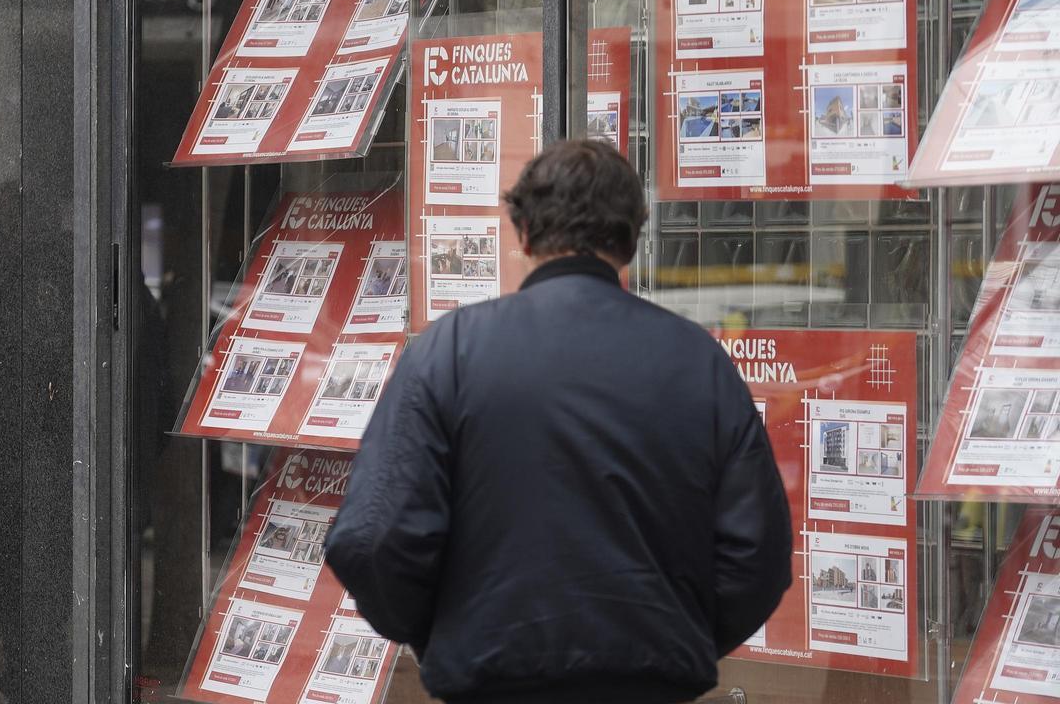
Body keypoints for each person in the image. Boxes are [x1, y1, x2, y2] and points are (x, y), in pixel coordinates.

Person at [325, 140, 792, 704]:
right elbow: (757, 555)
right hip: (652, 683)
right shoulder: (699, 360)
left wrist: (443, 634)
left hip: (489, 680)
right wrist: (674, 639)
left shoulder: (449, 351)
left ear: (522, 235)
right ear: (629, 241)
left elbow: (373, 538)